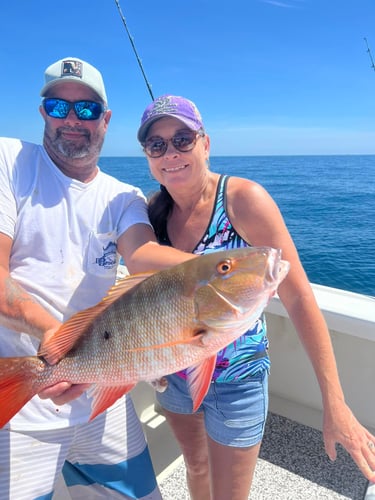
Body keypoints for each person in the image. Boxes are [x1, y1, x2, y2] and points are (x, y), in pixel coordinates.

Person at [137, 94, 375, 500]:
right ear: (147, 155)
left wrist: (334, 402)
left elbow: (298, 298)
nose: (170, 153)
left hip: (237, 380)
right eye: (156, 145)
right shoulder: (153, 211)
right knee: (196, 467)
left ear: (205, 144)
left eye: (182, 139)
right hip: (174, 373)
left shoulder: (243, 200)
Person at [0, 59, 191, 500]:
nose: (71, 119)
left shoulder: (122, 196)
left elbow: (143, 255)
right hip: (21, 402)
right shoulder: (11, 162)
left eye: (86, 109)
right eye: (58, 106)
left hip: (100, 393)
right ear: (42, 112)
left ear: (105, 119)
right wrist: (53, 336)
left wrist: (228, 266)